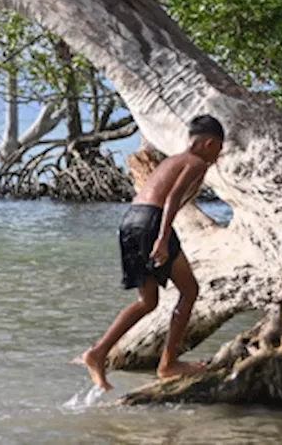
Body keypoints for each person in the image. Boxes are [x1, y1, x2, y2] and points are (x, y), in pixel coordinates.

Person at [79, 115, 225, 391]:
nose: (219, 155)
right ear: (208, 143)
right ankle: (168, 364)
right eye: (219, 148)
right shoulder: (195, 163)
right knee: (189, 291)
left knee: (148, 301)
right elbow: (172, 198)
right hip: (152, 223)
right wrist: (162, 237)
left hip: (131, 220)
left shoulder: (173, 160)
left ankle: (98, 353)